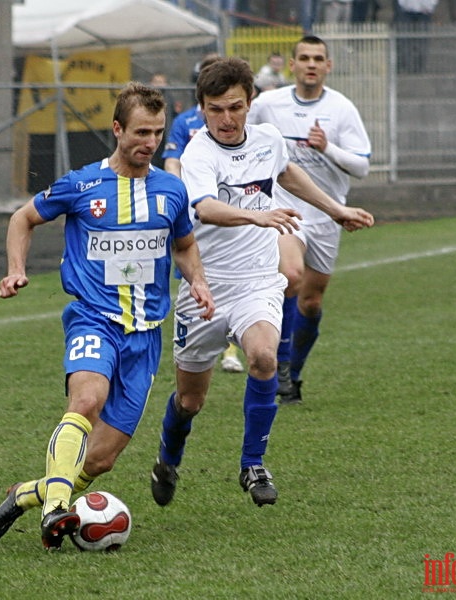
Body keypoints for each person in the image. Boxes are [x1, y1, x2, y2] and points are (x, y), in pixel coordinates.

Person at [0, 82, 214, 551]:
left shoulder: (171, 191)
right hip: (93, 318)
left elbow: (184, 246)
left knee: (100, 461)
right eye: (141, 132)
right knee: (86, 400)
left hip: (145, 336)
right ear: (117, 129)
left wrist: (199, 281)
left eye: (158, 133)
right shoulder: (82, 184)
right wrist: (16, 270)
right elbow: (22, 218)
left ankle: (24, 495)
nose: (150, 142)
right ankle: (54, 510)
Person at [149, 57, 373, 508]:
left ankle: (252, 465)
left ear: (250, 102)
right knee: (190, 401)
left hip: (256, 280)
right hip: (205, 288)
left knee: (264, 357)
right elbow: (205, 208)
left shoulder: (268, 139)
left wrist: (336, 209)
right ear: (202, 109)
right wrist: (257, 214)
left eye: (234, 107)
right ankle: (168, 458)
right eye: (215, 110)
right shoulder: (198, 153)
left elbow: (287, 172)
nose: (226, 119)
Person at [248, 35, 373, 404]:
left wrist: (327, 147)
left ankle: (294, 373)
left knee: (312, 301)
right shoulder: (269, 104)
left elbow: (362, 166)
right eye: (304, 58)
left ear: (328, 66)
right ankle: (280, 367)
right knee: (290, 274)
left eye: (318, 58)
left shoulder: (342, 109)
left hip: (328, 214)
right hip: (286, 206)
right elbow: (239, 130)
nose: (311, 64)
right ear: (292, 65)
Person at [162, 54, 244, 374]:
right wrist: (178, 191)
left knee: (237, 280)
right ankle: (198, 343)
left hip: (232, 213)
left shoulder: (244, 124)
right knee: (197, 278)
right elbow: (172, 160)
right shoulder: (186, 124)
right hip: (197, 211)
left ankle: (230, 351)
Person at [394, 0, 439, 74]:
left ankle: (419, 67)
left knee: (422, 41)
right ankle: (404, 66)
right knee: (404, 40)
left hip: (424, 12)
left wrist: (429, 6)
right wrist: (403, 4)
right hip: (406, 10)